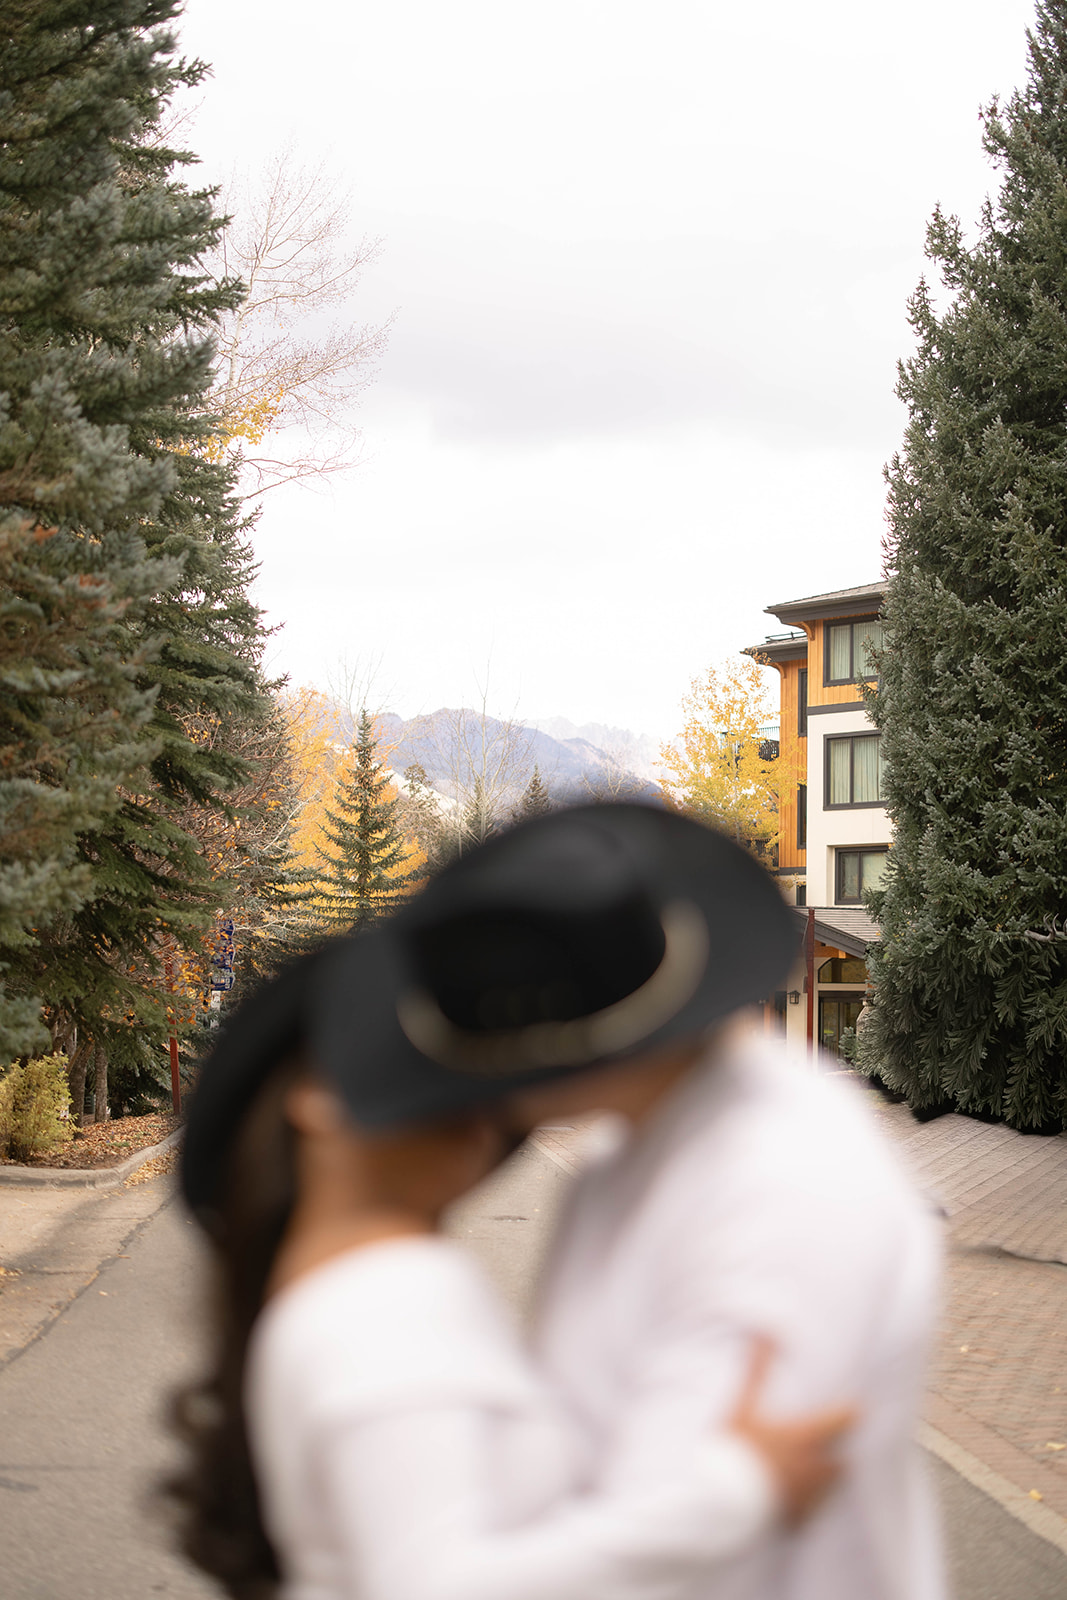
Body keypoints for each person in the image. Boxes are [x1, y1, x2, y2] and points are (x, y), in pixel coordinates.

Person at [176, 803, 941, 1600]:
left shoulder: (779, 1180)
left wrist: (728, 1496)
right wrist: (732, 1492)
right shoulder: (584, 1178)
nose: (459, 1092)